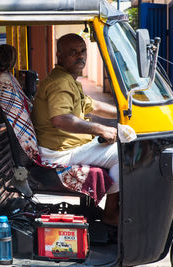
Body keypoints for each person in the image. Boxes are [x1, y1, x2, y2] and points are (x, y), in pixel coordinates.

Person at [31, 33, 119, 225]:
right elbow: (61, 119)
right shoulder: (60, 83)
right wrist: (100, 129)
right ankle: (112, 214)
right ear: (59, 56)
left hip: (69, 148)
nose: (80, 56)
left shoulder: (68, 79)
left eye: (82, 51)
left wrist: (125, 112)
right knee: (123, 153)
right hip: (58, 154)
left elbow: (92, 105)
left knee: (120, 145)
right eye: (73, 52)